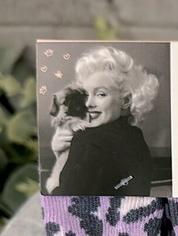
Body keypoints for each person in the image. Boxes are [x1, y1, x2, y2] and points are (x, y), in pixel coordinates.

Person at [50, 46, 159, 196]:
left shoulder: (87, 140)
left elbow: (63, 201)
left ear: (126, 100)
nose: (88, 103)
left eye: (100, 94)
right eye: (86, 95)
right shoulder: (135, 135)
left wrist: (57, 155)